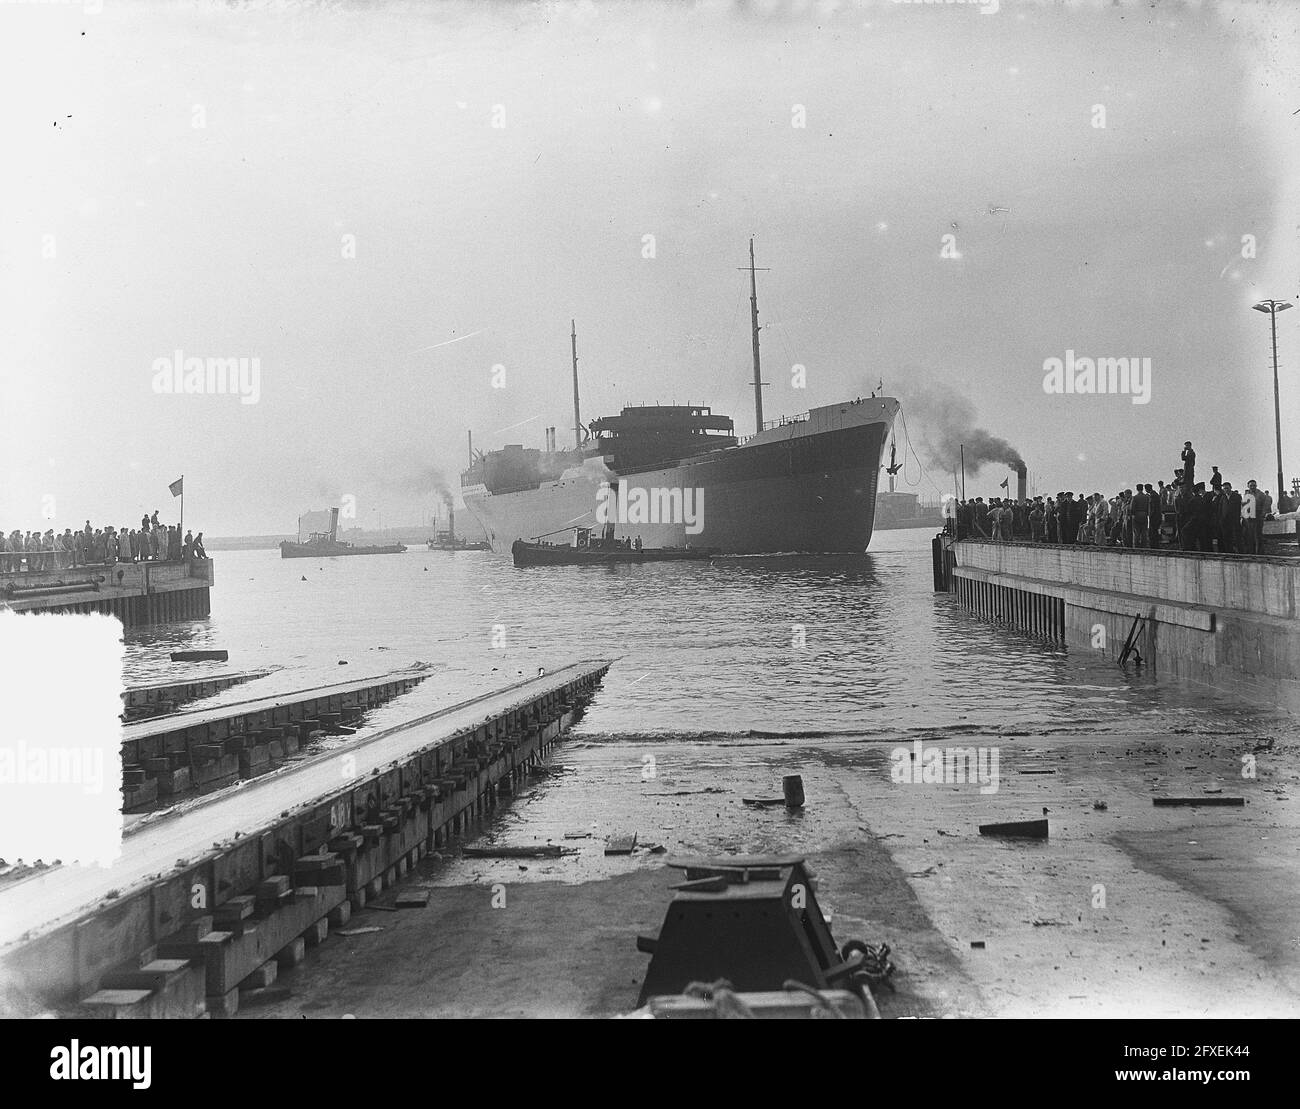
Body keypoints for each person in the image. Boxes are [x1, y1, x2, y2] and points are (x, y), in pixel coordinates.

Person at [1241, 481, 1261, 555]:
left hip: (1257, 518)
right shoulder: (1246, 495)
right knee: (1249, 536)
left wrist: (1262, 515)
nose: (1252, 487)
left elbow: (1264, 505)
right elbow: (1243, 505)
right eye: (1251, 486)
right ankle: (1251, 552)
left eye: (1254, 485)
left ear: (1256, 485)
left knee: (1257, 537)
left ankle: (1258, 553)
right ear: (1248, 486)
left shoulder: (1260, 494)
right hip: (1248, 519)